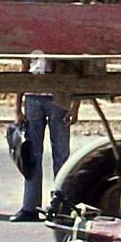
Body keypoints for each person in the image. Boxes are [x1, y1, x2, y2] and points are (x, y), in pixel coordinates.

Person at [11, 56, 79, 221]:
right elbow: (24, 68)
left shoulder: (62, 39)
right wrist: (18, 106)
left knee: (61, 154)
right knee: (32, 153)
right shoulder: (32, 40)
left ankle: (61, 204)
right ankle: (30, 207)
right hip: (33, 97)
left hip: (59, 97)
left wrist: (75, 105)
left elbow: (76, 68)